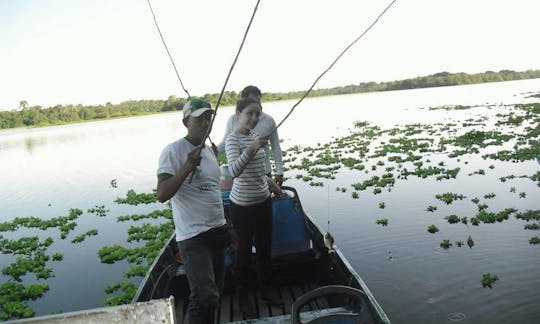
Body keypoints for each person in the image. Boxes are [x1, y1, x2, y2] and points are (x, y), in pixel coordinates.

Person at [156, 98, 227, 324]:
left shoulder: (209, 153)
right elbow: (162, 194)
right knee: (204, 296)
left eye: (209, 118)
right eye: (200, 118)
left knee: (215, 293)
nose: (206, 122)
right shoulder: (173, 151)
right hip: (193, 236)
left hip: (217, 230)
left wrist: (228, 226)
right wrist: (187, 166)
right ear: (187, 121)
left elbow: (212, 193)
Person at [225, 97, 284, 318]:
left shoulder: (256, 137)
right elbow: (234, 172)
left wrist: (273, 188)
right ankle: (244, 297)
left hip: (263, 202)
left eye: (257, 114)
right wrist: (250, 148)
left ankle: (266, 290)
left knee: (264, 250)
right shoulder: (233, 140)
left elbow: (260, 173)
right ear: (238, 114)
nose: (253, 118)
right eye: (249, 113)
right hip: (242, 207)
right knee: (243, 255)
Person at [217, 85, 284, 186]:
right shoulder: (233, 119)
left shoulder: (269, 120)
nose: (255, 103)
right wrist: (211, 152)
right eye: (252, 100)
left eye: (258, 100)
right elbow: (226, 142)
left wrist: (279, 172)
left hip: (264, 172)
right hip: (242, 176)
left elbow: (276, 147)